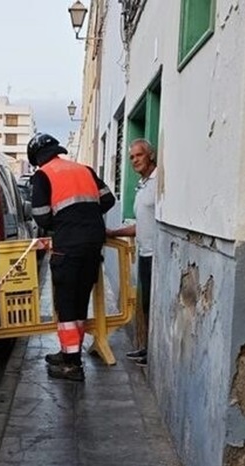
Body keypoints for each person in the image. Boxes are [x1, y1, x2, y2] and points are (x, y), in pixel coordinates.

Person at [28, 132, 115, 382]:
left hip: (68, 246)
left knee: (66, 304)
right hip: (93, 244)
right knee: (79, 300)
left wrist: (66, 222)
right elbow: (108, 199)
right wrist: (86, 216)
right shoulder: (84, 170)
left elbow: (41, 216)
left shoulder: (43, 175)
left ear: (37, 158)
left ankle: (72, 364)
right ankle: (69, 352)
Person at [107, 138, 157, 367]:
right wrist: (113, 232)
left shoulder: (158, 182)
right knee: (145, 305)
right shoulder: (143, 184)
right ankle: (146, 349)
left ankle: (152, 352)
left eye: (139, 155)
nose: (135, 160)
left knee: (152, 305)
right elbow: (141, 224)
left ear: (151, 155)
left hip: (157, 255)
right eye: (131, 157)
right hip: (144, 253)